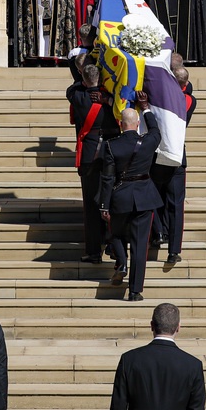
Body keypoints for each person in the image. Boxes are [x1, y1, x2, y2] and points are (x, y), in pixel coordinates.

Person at [107, 302, 205, 410]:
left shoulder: (130, 360)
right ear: (178, 327)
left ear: (152, 326)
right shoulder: (192, 365)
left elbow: (118, 406)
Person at [100, 95, 163, 302]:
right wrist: (146, 109)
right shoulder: (147, 141)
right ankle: (135, 291)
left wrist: (104, 204)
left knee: (116, 234)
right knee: (140, 245)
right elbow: (155, 131)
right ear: (137, 125)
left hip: (121, 197)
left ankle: (122, 262)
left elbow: (108, 177)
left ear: (120, 124)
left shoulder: (111, 145)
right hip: (145, 197)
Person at [67, 63, 118, 263]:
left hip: (90, 154)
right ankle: (113, 243)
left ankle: (94, 251)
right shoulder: (113, 100)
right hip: (112, 152)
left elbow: (70, 89)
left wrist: (84, 77)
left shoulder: (79, 97)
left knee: (91, 203)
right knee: (112, 200)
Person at [150, 66, 197, 264]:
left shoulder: (162, 99)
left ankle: (159, 232)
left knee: (154, 198)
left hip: (160, 154)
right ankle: (173, 248)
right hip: (176, 156)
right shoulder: (188, 99)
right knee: (175, 205)